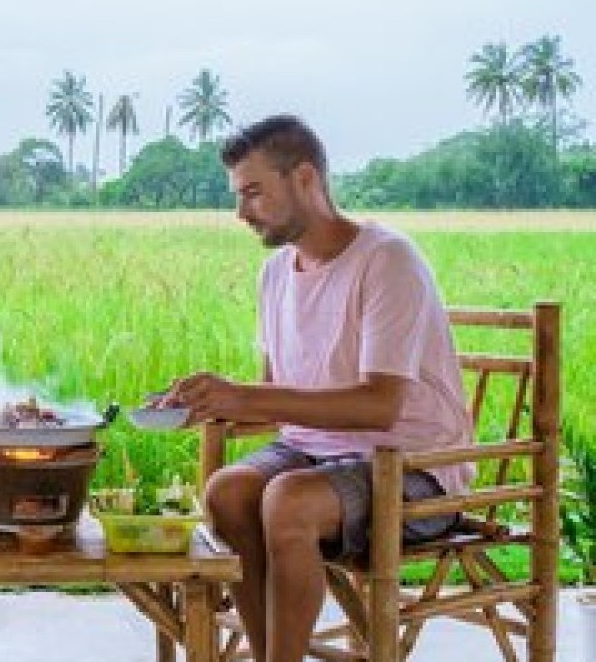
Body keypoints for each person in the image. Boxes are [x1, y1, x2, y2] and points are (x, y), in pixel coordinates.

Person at [157, 115, 473, 662]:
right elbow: (279, 391)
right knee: (227, 492)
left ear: (305, 178)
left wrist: (245, 397)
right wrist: (210, 403)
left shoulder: (386, 260)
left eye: (254, 192)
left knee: (288, 500)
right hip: (314, 451)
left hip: (414, 469)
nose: (241, 213)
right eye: (238, 196)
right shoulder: (276, 272)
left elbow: (381, 405)